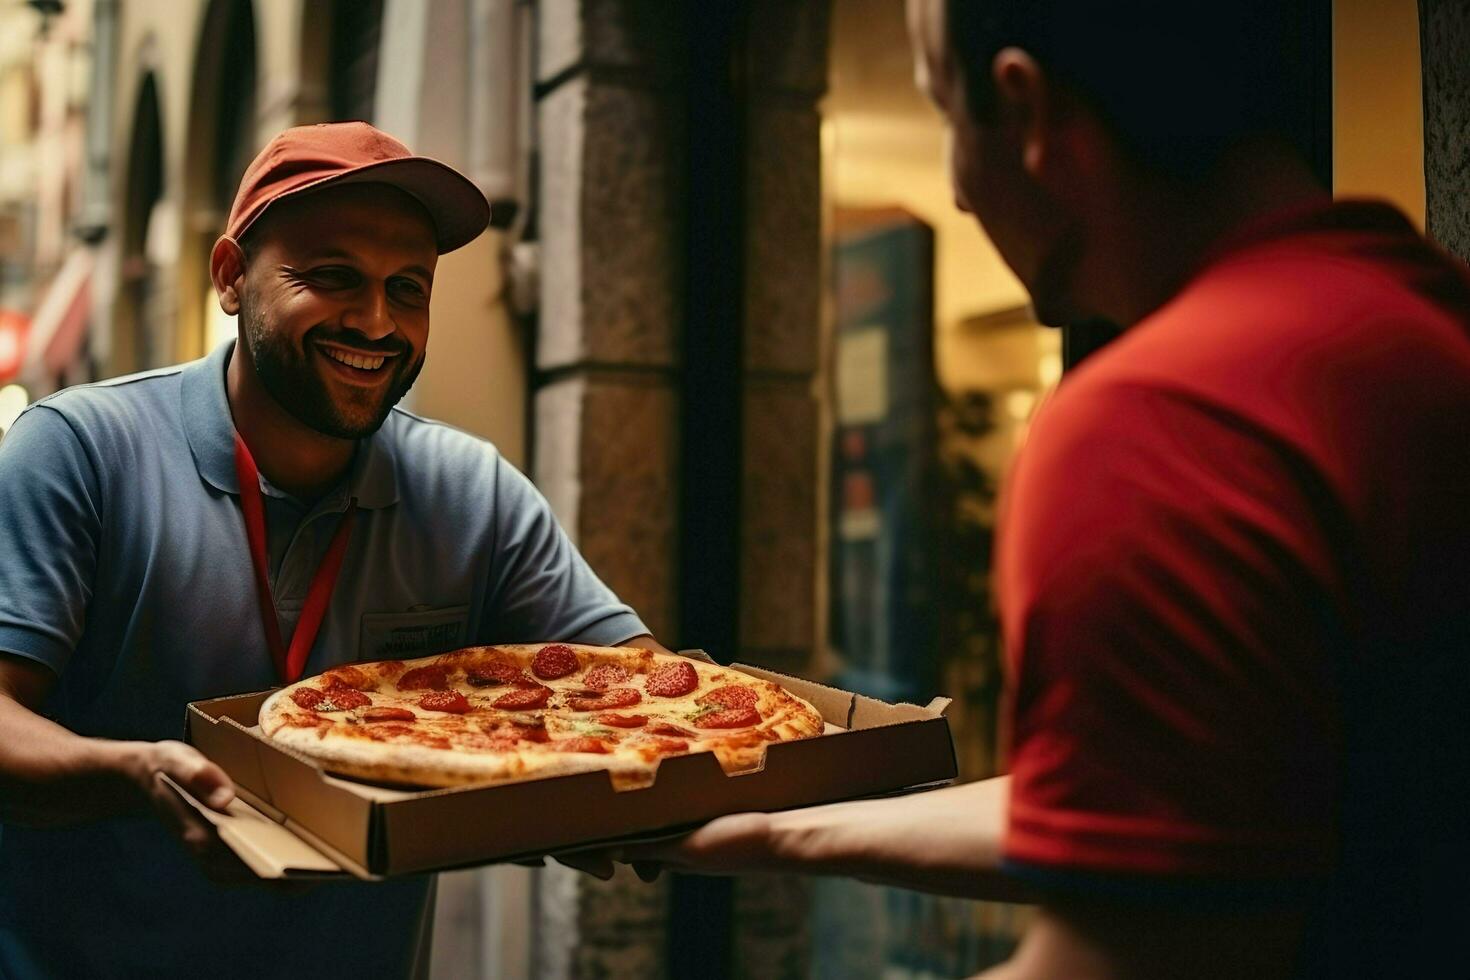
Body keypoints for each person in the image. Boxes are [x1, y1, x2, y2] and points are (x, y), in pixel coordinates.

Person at [607, 3, 1470, 978]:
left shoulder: (1156, 425)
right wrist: (781, 830)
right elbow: (1200, 809)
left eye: (945, 115)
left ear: (1025, 109)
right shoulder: (1425, 324)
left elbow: (1131, 955)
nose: (959, 192)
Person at [0, 122, 666, 977]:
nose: (377, 321)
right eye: (334, 277)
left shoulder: (471, 491)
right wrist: (133, 774)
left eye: (409, 288)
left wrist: (599, 784)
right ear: (231, 278)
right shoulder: (81, 450)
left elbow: (647, 689)